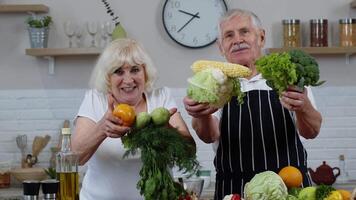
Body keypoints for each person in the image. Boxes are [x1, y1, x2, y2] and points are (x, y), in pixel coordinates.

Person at [183, 9, 322, 199]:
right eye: (229, 35)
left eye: (244, 32)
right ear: (221, 47)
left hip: (289, 188)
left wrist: (303, 105)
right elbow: (209, 136)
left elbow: (311, 131)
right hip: (234, 190)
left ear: (261, 37)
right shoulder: (214, 82)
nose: (237, 40)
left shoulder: (287, 75)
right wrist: (201, 114)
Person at [72, 38, 195, 200]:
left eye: (135, 70)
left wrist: (169, 131)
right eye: (118, 71)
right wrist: (102, 128)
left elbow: (189, 152)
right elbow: (74, 158)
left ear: (145, 73)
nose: (128, 80)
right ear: (108, 77)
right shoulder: (95, 99)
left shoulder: (161, 98)